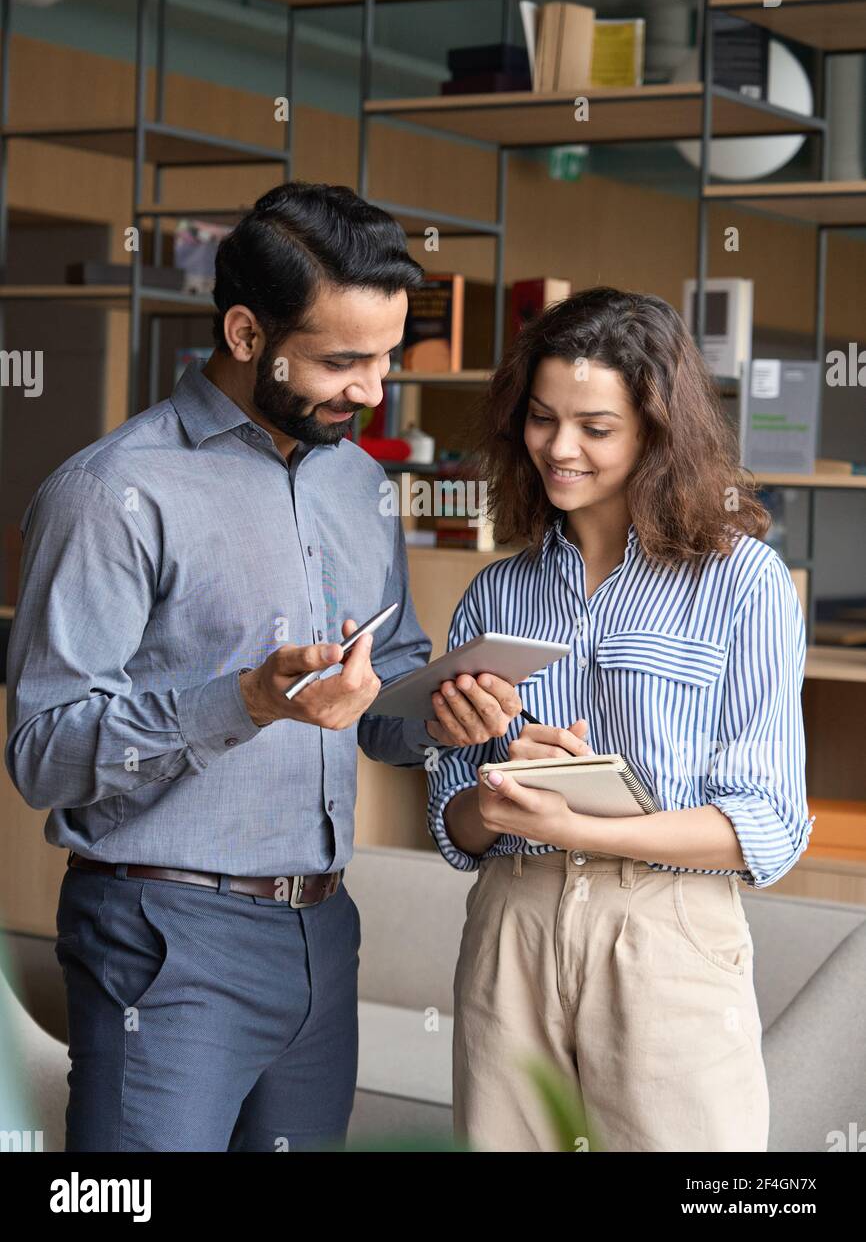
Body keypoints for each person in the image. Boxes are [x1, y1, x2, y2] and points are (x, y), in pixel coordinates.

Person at [4, 180, 522, 1152]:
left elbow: (382, 699)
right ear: (245, 333)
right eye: (341, 360)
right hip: (163, 934)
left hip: (322, 932)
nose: (372, 390)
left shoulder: (359, 483)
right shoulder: (112, 493)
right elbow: (42, 753)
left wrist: (444, 708)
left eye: (384, 358)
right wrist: (242, 700)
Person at [426, 286, 814, 1153]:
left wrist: (578, 822)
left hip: (664, 929)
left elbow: (766, 828)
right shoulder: (499, 591)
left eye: (595, 429)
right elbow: (452, 817)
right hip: (511, 926)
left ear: (657, 432)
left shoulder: (741, 583)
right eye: (541, 419)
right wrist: (491, 797)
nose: (559, 449)